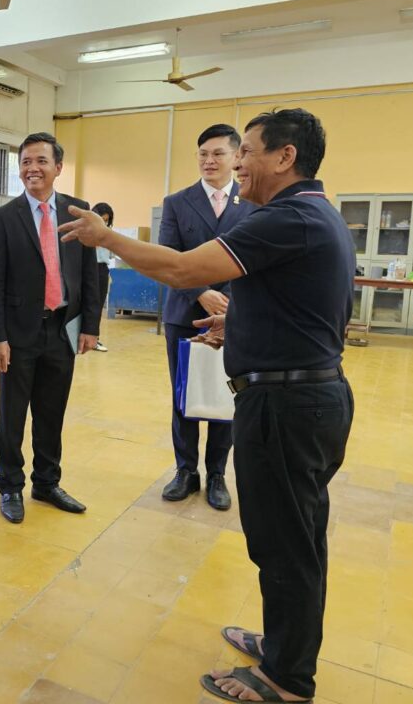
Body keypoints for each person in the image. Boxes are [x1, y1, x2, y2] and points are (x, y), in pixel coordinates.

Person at [58, 108, 354, 704]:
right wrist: (239, 325)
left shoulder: (287, 217)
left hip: (287, 406)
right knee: (286, 539)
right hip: (300, 395)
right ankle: (283, 644)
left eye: (246, 151)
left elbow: (183, 267)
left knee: (288, 545)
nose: (237, 162)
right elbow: (306, 310)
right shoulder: (314, 215)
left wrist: (106, 236)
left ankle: (288, 680)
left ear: (285, 157)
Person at [0, 132, 101, 524]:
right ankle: (11, 485)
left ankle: (47, 482)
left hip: (62, 329)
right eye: (25, 162)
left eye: (40, 161)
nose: (32, 168)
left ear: (58, 167)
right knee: (12, 414)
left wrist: (90, 325)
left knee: (52, 412)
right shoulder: (4, 217)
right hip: (18, 333)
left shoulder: (78, 213)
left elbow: (90, 274)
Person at [159, 124, 255, 510]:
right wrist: (200, 292)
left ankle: (217, 473)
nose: (209, 161)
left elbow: (256, 261)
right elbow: (167, 259)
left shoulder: (252, 204)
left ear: (235, 157)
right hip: (185, 314)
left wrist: (227, 303)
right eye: (202, 154)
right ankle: (186, 470)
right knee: (184, 393)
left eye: (218, 153)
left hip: (236, 318)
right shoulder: (177, 202)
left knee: (224, 393)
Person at [91, 202, 114, 352]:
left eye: (107, 220)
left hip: (103, 269)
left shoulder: (109, 232)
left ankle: (94, 339)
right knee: (86, 304)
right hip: (90, 268)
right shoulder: (87, 230)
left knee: (98, 305)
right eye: (102, 219)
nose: (104, 223)